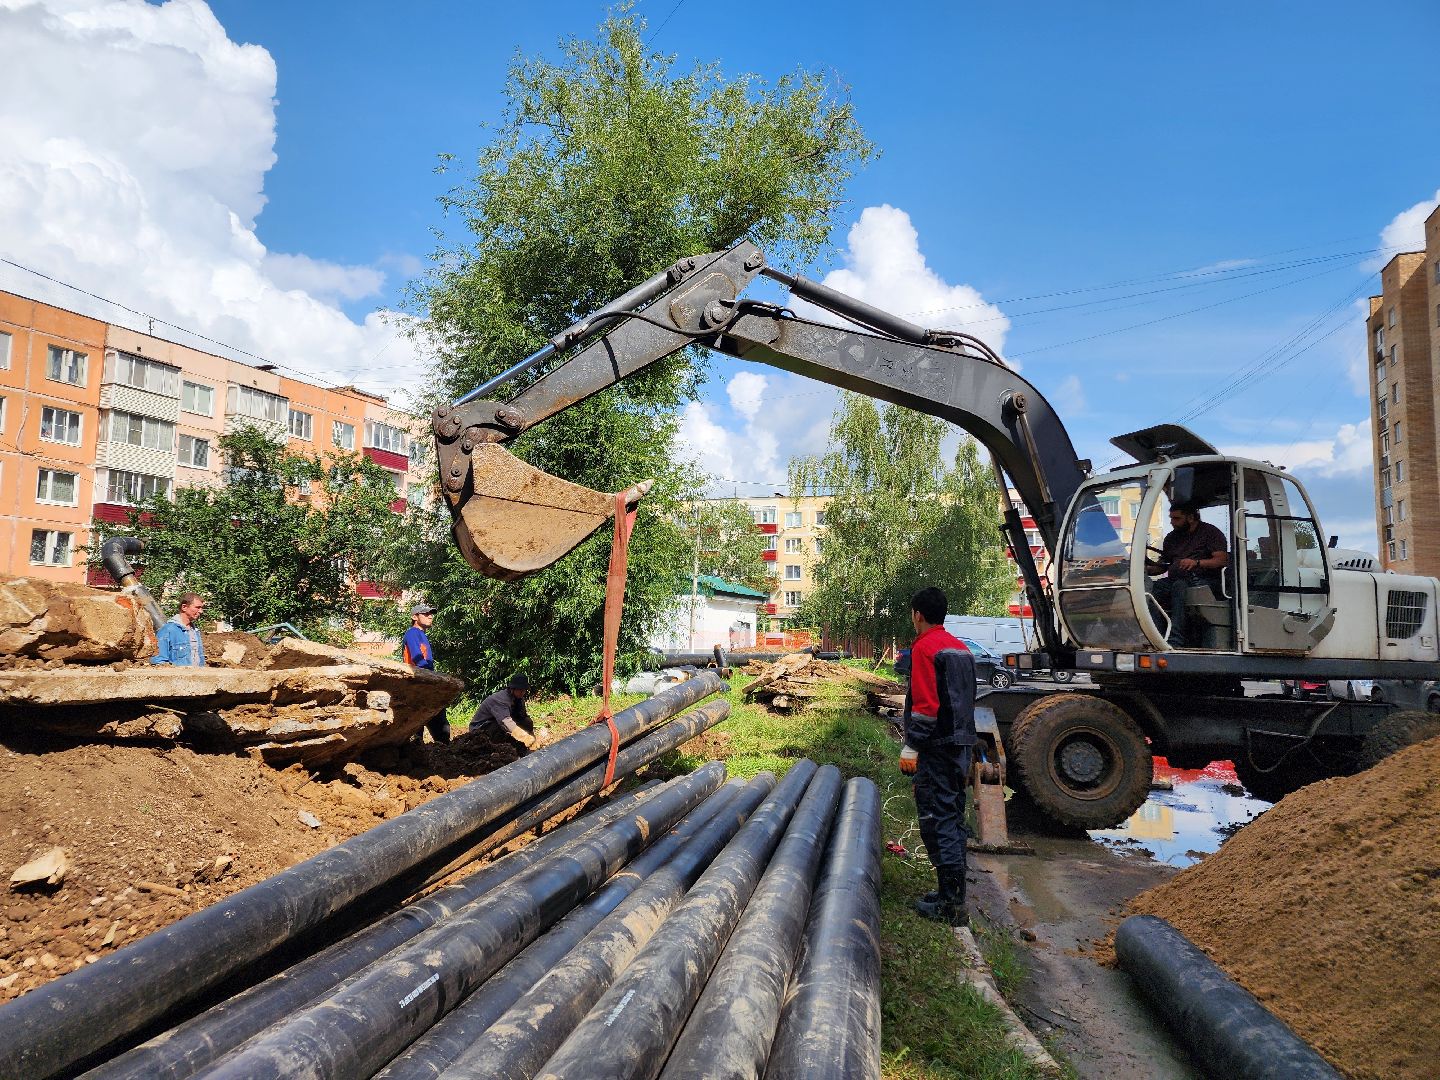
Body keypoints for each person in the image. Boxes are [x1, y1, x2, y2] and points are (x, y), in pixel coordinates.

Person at [897, 587, 975, 927]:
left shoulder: (925, 649)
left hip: (937, 749)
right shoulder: (960, 648)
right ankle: (952, 893)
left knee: (936, 818)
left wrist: (912, 746)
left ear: (917, 614)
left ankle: (950, 905)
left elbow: (926, 708)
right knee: (954, 817)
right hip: (961, 747)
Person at [1147, 505, 1228, 647]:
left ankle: (1176, 640)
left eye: (1177, 518)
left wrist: (1197, 563)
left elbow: (1221, 560)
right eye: (1171, 518)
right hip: (1176, 580)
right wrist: (1143, 568)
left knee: (1180, 587)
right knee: (1151, 592)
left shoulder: (1210, 533)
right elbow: (1162, 566)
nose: (1172, 522)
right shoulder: (1172, 538)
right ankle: (1156, 637)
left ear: (1191, 517)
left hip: (1206, 581)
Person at [402, 602, 452, 744]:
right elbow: (417, 658)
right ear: (414, 616)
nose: (430, 616)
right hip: (417, 685)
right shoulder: (412, 633)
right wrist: (434, 678)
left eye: (431, 614)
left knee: (439, 723)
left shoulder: (422, 635)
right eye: (425, 614)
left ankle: (443, 753)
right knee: (418, 726)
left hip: (427, 684)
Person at [468, 674, 537, 750]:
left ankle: (518, 746)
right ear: (512, 689)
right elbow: (505, 722)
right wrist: (524, 737)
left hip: (496, 723)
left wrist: (532, 737)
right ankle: (498, 749)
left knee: (527, 722)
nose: (523, 692)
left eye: (524, 690)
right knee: (500, 727)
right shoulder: (500, 699)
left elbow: (522, 716)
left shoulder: (519, 699)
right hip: (480, 730)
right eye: (520, 690)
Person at [151, 593, 207, 666]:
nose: (201, 611)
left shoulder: (195, 631)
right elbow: (159, 661)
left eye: (201, 608)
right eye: (197, 607)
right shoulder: (168, 630)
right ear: (184, 607)